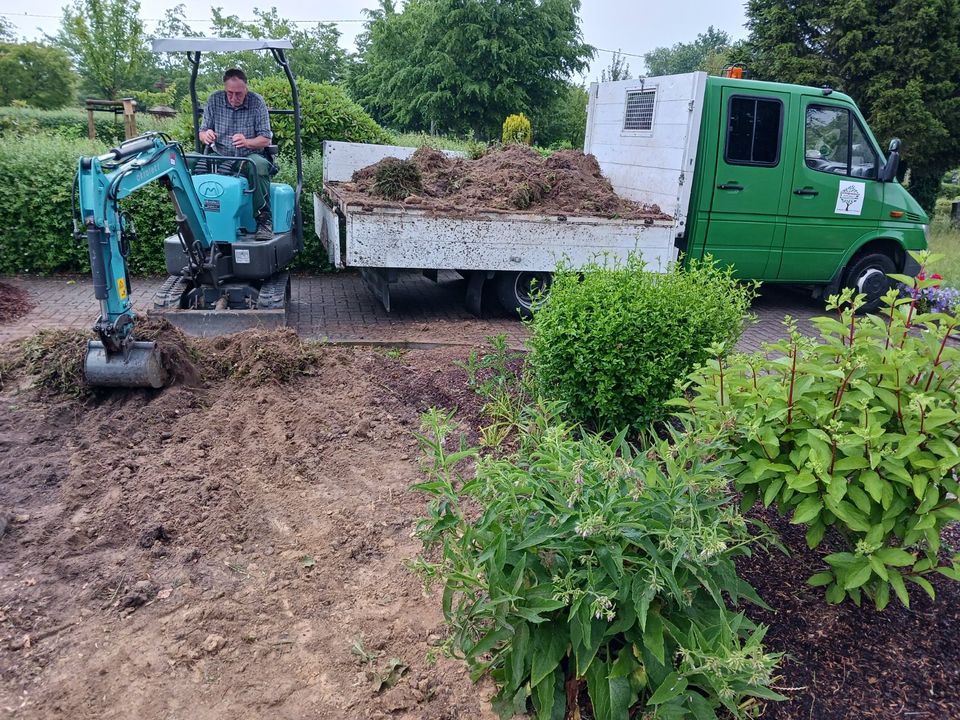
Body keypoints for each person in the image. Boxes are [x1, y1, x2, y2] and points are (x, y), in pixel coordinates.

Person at [198, 68, 274, 239]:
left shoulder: (257, 102)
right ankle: (198, 219)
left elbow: (266, 139)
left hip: (248, 155)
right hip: (221, 154)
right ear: (225, 88)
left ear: (246, 88)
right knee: (189, 164)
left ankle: (264, 220)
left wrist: (247, 141)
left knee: (260, 167)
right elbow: (202, 132)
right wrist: (206, 135)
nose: (233, 98)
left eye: (238, 94)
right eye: (230, 93)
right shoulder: (214, 100)